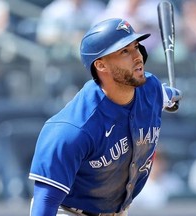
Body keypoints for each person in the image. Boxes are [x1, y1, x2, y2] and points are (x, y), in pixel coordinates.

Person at [29, 18, 182, 216]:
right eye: (124, 51)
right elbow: (46, 201)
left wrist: (171, 97)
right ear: (101, 65)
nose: (138, 56)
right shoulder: (72, 130)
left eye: (136, 46)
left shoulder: (150, 88)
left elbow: (164, 94)